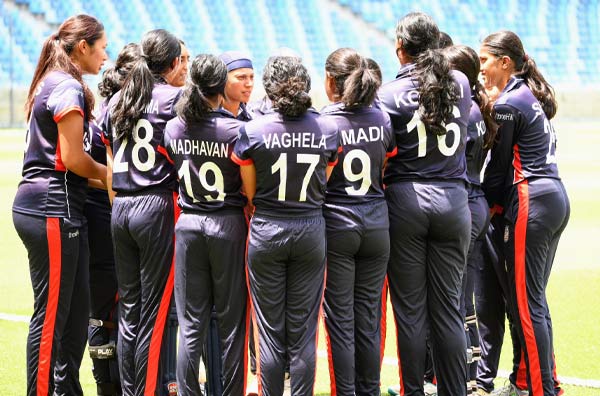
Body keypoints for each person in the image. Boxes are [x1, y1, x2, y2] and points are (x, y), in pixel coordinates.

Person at [377, 12, 473, 396]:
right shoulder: (462, 83)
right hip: (453, 198)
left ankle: (413, 391)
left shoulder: (388, 94)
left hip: (407, 200)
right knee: (448, 309)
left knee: (411, 311)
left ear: (400, 50)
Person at [12, 14, 108, 396]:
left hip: (62, 207)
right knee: (52, 316)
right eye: (102, 48)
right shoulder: (66, 87)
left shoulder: (58, 83)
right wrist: (111, 175)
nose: (106, 56)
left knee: (76, 310)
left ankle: (65, 388)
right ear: (82, 46)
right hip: (52, 207)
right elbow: (72, 159)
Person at [232, 56, 339, 396]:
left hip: (267, 226)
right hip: (310, 227)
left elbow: (250, 192)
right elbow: (324, 182)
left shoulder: (253, 130)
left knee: (269, 330)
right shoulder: (327, 128)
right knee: (304, 331)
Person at [479, 30, 570, 396]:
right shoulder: (527, 96)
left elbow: (499, 174)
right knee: (532, 300)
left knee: (527, 303)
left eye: (485, 60)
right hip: (554, 197)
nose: (480, 67)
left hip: (530, 197)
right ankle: (535, 382)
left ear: (505, 62)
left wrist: (480, 206)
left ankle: (541, 389)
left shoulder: (508, 103)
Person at [162, 53, 250, 396]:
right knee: (231, 323)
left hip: (189, 225)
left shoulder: (173, 127)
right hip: (227, 225)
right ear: (220, 87)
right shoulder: (236, 130)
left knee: (190, 323)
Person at [103, 28, 182, 396]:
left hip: (121, 206)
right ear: (174, 62)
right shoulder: (173, 99)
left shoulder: (118, 98)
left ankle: (131, 389)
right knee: (154, 310)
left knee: (130, 310)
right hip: (155, 205)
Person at [320, 48, 395, 396]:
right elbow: (384, 166)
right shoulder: (381, 119)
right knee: (369, 317)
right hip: (377, 222)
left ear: (332, 82)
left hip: (338, 224)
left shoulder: (325, 122)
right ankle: (370, 389)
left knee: (340, 320)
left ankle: (346, 391)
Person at [86, 42, 141, 396]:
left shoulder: (106, 113)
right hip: (108, 214)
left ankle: (107, 384)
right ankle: (115, 383)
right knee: (116, 307)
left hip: (100, 215)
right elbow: (87, 171)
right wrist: (118, 177)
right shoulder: (118, 116)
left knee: (101, 309)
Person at [443, 44, 497, 395]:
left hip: (463, 201)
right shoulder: (480, 107)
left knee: (453, 297)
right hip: (478, 203)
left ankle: (461, 375)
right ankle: (475, 374)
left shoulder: (462, 111)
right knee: (465, 294)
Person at [219, 51, 254, 121]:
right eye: (241, 77)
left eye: (252, 77)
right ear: (222, 79)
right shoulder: (207, 120)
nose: (249, 84)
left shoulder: (255, 117)